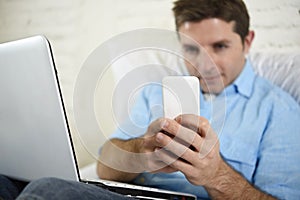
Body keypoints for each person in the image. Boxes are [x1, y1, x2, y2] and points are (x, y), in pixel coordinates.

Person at [8, 0, 300, 199]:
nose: (205, 63)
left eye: (220, 46)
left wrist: (216, 175)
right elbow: (104, 167)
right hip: (132, 194)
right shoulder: (155, 92)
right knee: (7, 180)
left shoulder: (279, 111)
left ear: (247, 41)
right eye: (192, 49)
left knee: (48, 191)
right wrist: (141, 151)